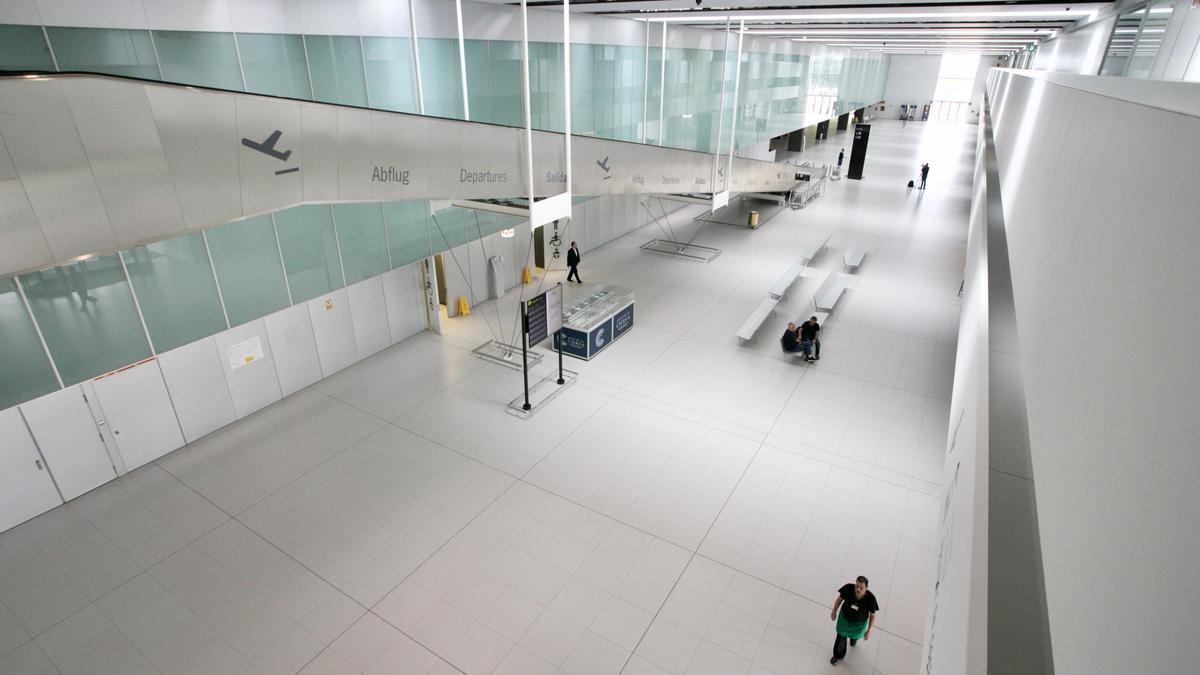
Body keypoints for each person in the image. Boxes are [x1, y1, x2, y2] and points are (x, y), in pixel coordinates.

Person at [829, 576, 880, 666]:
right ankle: (838, 655)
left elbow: (872, 615)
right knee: (840, 637)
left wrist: (869, 630)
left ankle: (854, 639)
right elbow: (839, 599)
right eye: (857, 586)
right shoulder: (848, 588)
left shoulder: (871, 599)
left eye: (861, 588)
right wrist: (834, 611)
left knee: (855, 637)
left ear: (866, 588)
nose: (858, 589)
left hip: (859, 624)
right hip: (844, 619)